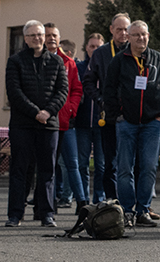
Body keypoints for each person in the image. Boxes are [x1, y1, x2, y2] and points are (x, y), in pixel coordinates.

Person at [104, 18, 160, 227]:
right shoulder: (119, 61)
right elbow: (109, 89)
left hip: (151, 123)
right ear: (128, 37)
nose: (141, 38)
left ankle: (143, 211)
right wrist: (117, 115)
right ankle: (127, 211)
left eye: (144, 34)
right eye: (136, 34)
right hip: (126, 123)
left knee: (148, 167)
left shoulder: (157, 60)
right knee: (124, 168)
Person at [4, 18, 67, 228]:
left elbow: (62, 91)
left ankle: (46, 213)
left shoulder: (57, 62)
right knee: (20, 170)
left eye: (42, 35)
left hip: (49, 124)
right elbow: (14, 92)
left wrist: (48, 112)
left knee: (48, 170)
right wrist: (35, 112)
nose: (38, 38)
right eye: (33, 35)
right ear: (26, 38)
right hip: (23, 124)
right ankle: (15, 214)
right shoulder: (15, 61)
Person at [84, 14, 130, 202]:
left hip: (131, 115)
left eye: (126, 29)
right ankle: (112, 200)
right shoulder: (101, 53)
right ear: (111, 30)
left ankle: (131, 202)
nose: (123, 33)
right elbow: (88, 82)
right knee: (109, 162)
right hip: (108, 115)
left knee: (130, 161)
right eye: (119, 29)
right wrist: (100, 99)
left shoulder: (137, 51)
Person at [46, 24, 87, 215]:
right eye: (47, 35)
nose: (51, 39)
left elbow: (77, 89)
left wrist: (71, 109)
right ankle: (48, 203)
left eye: (54, 35)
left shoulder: (69, 63)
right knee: (48, 166)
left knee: (73, 164)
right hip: (45, 122)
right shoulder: (37, 60)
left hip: (66, 122)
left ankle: (81, 201)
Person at [71, 34, 101, 207]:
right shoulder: (79, 68)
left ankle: (99, 200)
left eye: (98, 46)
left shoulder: (106, 66)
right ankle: (83, 201)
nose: (95, 50)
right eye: (92, 46)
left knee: (101, 166)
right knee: (82, 163)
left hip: (101, 123)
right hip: (82, 124)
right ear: (86, 48)